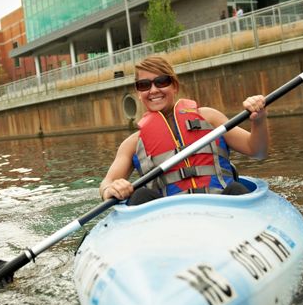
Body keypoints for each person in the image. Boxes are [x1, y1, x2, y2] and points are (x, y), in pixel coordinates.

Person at [99, 56, 268, 205]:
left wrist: (259, 120)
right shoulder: (132, 144)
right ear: (138, 93)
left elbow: (257, 151)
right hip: (168, 217)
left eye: (161, 82)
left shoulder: (210, 118)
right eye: (144, 85)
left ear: (175, 86)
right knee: (140, 195)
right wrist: (110, 189)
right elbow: (107, 183)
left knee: (237, 189)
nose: (153, 90)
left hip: (222, 206)